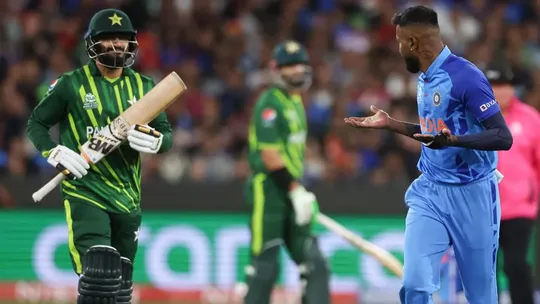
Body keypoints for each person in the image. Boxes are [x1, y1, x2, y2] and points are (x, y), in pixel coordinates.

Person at [345, 6, 513, 304]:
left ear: (413, 44)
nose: (397, 49)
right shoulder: (425, 77)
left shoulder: (466, 78)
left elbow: (503, 137)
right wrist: (391, 125)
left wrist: (454, 140)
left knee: (480, 295)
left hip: (472, 195)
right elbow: (433, 134)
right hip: (430, 191)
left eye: (399, 41)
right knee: (415, 285)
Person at [26, 8, 172, 304]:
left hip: (129, 197)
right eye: (108, 38)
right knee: (98, 275)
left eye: (122, 38)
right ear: (92, 43)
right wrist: (53, 151)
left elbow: (166, 134)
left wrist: (157, 143)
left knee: (119, 288)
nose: (117, 44)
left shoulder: (144, 87)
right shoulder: (71, 84)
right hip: (86, 191)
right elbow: (36, 124)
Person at [242, 40, 330, 304]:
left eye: (300, 64)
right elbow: (270, 155)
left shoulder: (296, 101)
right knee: (266, 263)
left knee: (314, 263)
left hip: (293, 188)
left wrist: (297, 190)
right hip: (268, 188)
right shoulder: (269, 103)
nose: (296, 71)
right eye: (289, 66)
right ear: (275, 69)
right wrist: (295, 190)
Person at [487, 65, 540, 304]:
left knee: (516, 264)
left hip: (520, 207)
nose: (502, 92)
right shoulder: (474, 118)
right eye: (495, 86)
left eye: (506, 86)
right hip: (484, 206)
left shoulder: (530, 118)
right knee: (486, 269)